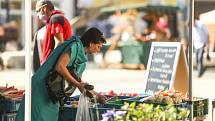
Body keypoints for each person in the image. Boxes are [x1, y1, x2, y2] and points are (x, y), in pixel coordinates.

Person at [15, 27, 107, 121]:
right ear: (91, 44)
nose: (98, 50)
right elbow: (60, 67)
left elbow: (79, 82)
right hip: (41, 89)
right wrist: (78, 85)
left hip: (52, 93)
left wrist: (97, 95)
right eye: (98, 46)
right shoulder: (74, 46)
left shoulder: (81, 55)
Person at [35, 0, 72, 64]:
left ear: (44, 8)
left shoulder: (55, 19)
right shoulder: (54, 19)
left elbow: (59, 42)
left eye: (38, 11)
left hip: (54, 65)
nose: (38, 15)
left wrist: (50, 62)